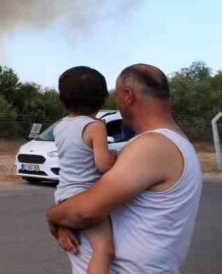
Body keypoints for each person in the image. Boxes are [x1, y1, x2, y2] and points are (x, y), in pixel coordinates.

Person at [47, 64, 203, 274]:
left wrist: (55, 217)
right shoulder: (155, 145)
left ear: (128, 96)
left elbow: (84, 211)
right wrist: (68, 219)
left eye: (117, 96)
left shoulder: (153, 147)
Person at [52, 67, 117, 274]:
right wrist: (116, 156)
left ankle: (66, 225)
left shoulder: (59, 126)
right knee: (104, 250)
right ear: (103, 98)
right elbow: (103, 165)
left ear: (62, 98)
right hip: (86, 198)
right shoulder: (95, 126)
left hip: (64, 196)